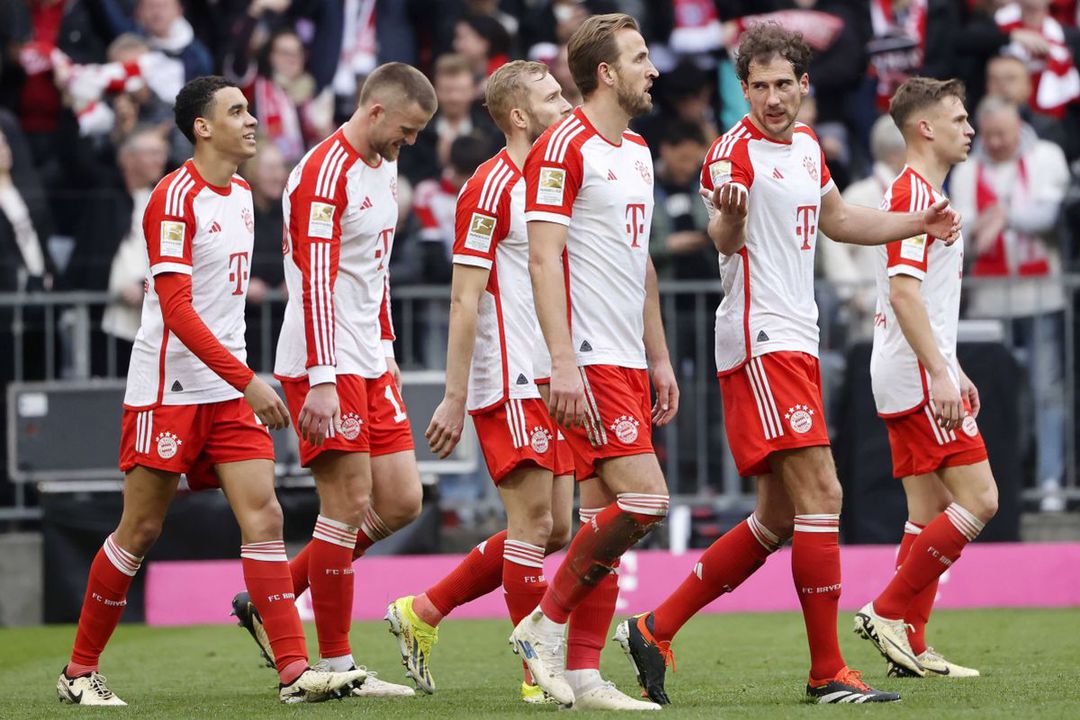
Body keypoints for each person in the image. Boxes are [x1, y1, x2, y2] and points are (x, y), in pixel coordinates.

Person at [613, 23, 962, 705]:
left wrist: (915, 223)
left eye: (783, 85)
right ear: (742, 89)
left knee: (776, 517)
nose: (772, 98)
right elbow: (723, 235)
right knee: (823, 495)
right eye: (758, 86)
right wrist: (732, 218)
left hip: (794, 340)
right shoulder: (731, 153)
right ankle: (827, 670)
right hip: (762, 340)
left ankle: (655, 628)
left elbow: (840, 220)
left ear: (804, 85)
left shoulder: (805, 147)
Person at [55, 75, 365, 706]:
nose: (251, 121)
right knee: (141, 528)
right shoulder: (173, 198)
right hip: (168, 389)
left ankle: (294, 672)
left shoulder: (244, 193)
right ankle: (78, 673)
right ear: (202, 127)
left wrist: (240, 381)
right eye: (237, 111)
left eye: (250, 110)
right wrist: (248, 380)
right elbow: (176, 310)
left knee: (266, 515)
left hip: (226, 392)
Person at [231, 62, 436, 699]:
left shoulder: (385, 165)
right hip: (325, 361)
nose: (411, 142)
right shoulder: (322, 173)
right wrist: (322, 378)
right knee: (344, 507)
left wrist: (387, 344)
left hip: (369, 357)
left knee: (401, 501)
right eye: (407, 129)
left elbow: (374, 268)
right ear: (376, 111)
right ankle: (338, 661)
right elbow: (315, 280)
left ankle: (277, 595)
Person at [383, 59, 577, 703]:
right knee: (531, 525)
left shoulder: (555, 177)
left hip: (551, 372)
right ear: (518, 116)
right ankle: (535, 678)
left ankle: (423, 611)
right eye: (552, 97)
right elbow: (464, 297)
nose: (566, 105)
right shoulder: (489, 186)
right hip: (511, 372)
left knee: (556, 529)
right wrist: (456, 394)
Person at [508, 13, 680, 709]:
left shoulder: (636, 150)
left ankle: (582, 673)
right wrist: (561, 362)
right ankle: (543, 625)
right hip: (584, 357)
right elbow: (542, 258)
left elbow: (641, 264)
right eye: (639, 58)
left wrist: (659, 357)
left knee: (601, 518)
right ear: (606, 73)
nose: (653, 69)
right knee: (647, 501)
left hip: (627, 357)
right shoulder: (562, 147)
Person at [852, 75, 998, 679]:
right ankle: (886, 611)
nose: (970, 128)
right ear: (925, 128)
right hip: (915, 373)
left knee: (928, 507)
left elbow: (926, 302)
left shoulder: (924, 195)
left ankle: (909, 643)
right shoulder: (913, 198)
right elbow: (904, 294)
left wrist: (953, 366)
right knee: (980, 500)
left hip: (912, 367)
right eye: (959, 119)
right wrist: (938, 372)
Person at [949, 96, 1069, 512]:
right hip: (989, 301)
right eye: (991, 135)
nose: (997, 142)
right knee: (993, 393)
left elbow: (1047, 216)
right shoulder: (966, 167)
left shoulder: (1046, 155)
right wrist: (988, 222)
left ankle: (1050, 480)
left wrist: (1004, 217)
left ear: (1019, 126)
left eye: (1004, 133)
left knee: (1047, 390)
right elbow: (960, 234)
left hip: (1042, 295)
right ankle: (997, 482)